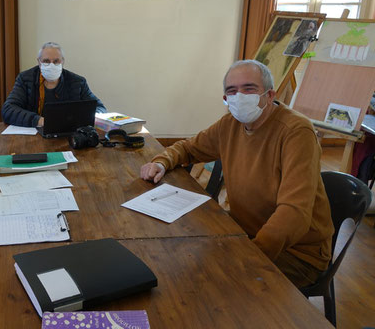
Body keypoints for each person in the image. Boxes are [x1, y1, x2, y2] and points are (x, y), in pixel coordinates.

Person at [140, 59, 334, 288]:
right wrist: (162, 162)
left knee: (209, 283)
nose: (239, 96)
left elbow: (294, 213)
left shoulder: (296, 132)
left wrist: (248, 255)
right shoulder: (229, 124)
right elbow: (189, 148)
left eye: (249, 89)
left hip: (296, 253)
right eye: (232, 91)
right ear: (225, 99)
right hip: (245, 232)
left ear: (270, 95)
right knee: (176, 259)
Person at [2, 42, 106, 127]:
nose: (51, 65)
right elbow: (8, 110)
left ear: (63, 62)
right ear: (39, 62)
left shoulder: (78, 82)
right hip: (35, 133)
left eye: (56, 61)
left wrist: (88, 118)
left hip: (68, 136)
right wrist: (39, 121)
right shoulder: (25, 79)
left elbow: (100, 109)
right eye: (46, 61)